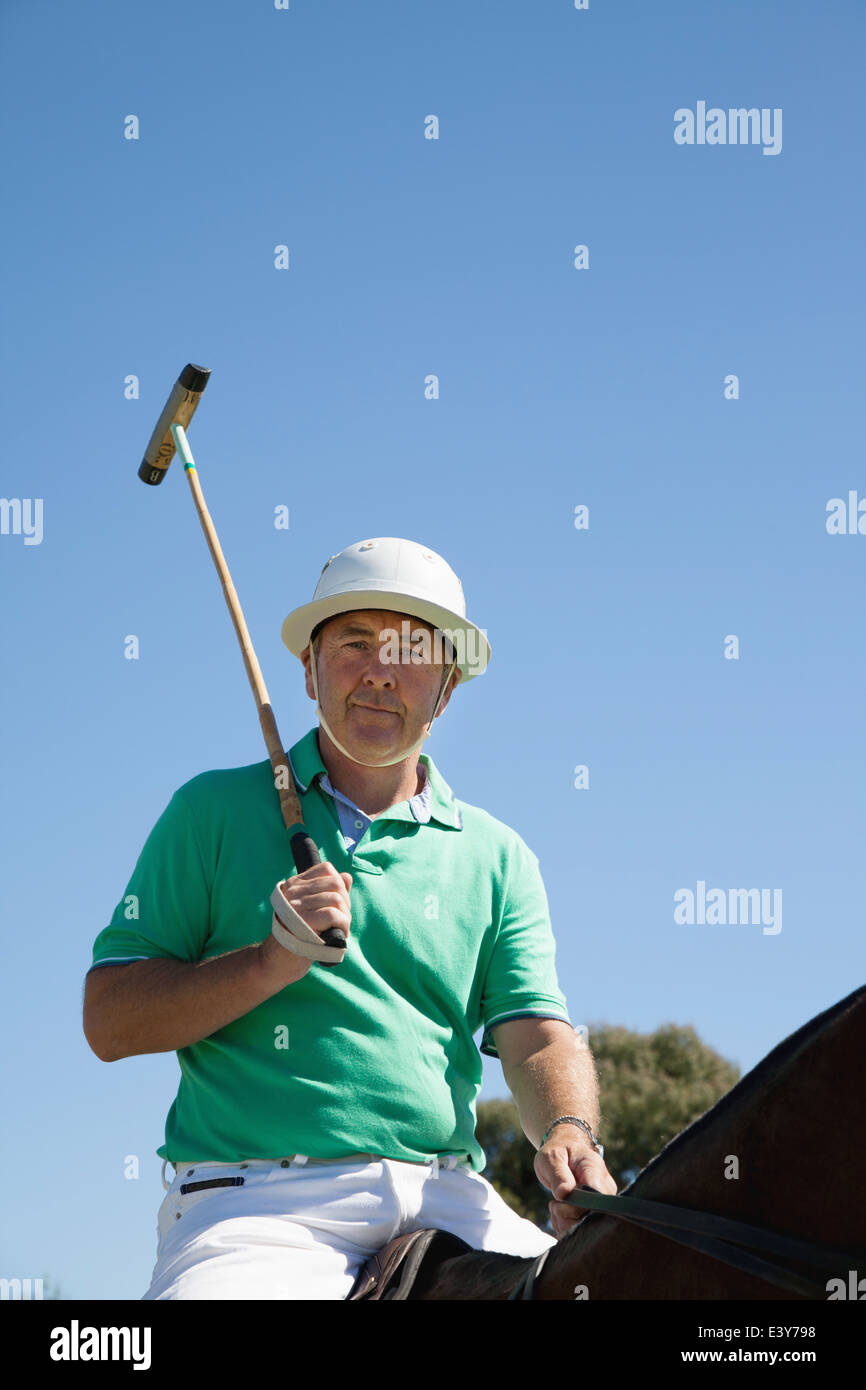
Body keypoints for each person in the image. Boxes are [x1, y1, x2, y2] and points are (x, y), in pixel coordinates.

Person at [83, 536, 617, 1300]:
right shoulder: (209, 812)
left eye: (408, 651)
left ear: (449, 687)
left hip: (448, 1195)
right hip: (256, 1206)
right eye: (355, 644)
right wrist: (267, 963)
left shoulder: (499, 857)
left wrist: (570, 1127)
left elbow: (534, 1033)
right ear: (308, 668)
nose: (379, 672)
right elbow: (109, 1022)